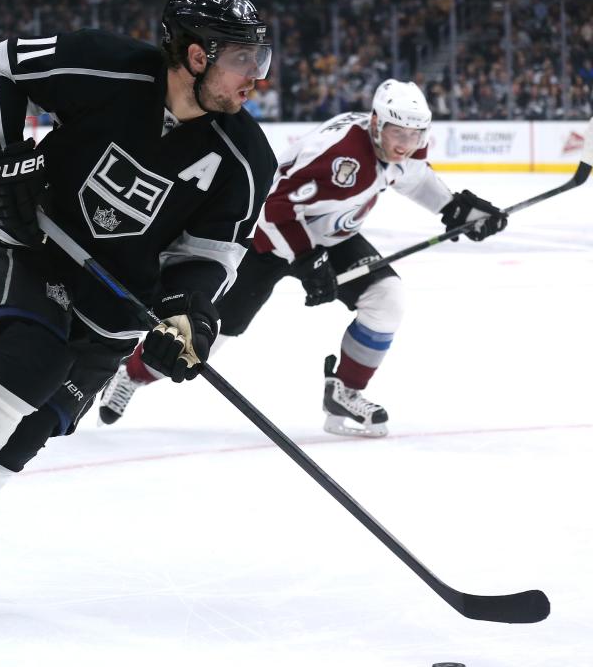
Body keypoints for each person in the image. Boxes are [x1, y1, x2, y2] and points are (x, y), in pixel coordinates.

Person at [0, 0, 277, 619]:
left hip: (118, 297)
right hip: (35, 243)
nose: (256, 78)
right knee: (31, 362)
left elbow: (211, 254)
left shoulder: (246, 159)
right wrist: (3, 161)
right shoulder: (106, 66)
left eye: (258, 60)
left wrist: (190, 310)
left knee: (30, 431)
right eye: (242, 59)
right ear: (194, 54)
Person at [98, 79, 508, 437]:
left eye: (414, 135)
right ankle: (131, 374)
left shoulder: (400, 150)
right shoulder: (343, 156)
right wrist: (310, 260)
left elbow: (414, 177)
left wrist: (457, 209)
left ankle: (344, 392)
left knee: (386, 299)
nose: (405, 144)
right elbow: (273, 205)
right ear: (376, 123)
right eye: (398, 132)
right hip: (269, 238)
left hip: (331, 233)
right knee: (213, 332)